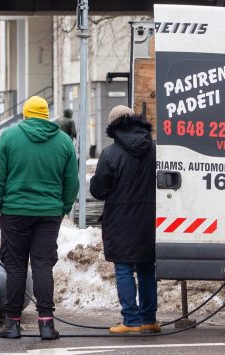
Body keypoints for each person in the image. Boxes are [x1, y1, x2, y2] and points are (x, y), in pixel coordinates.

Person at [0, 95, 79, 341]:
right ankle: (46, 325)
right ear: (46, 115)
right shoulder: (63, 141)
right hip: (49, 213)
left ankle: (13, 323)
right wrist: (62, 209)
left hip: (14, 212)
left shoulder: (9, 137)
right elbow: (72, 182)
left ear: (26, 115)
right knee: (43, 266)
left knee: (15, 267)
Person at [89, 105, 159, 334]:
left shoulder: (110, 154)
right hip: (150, 219)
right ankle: (149, 319)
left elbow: (99, 191)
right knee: (148, 268)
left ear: (113, 126)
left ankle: (131, 321)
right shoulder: (155, 149)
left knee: (124, 268)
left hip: (121, 221)